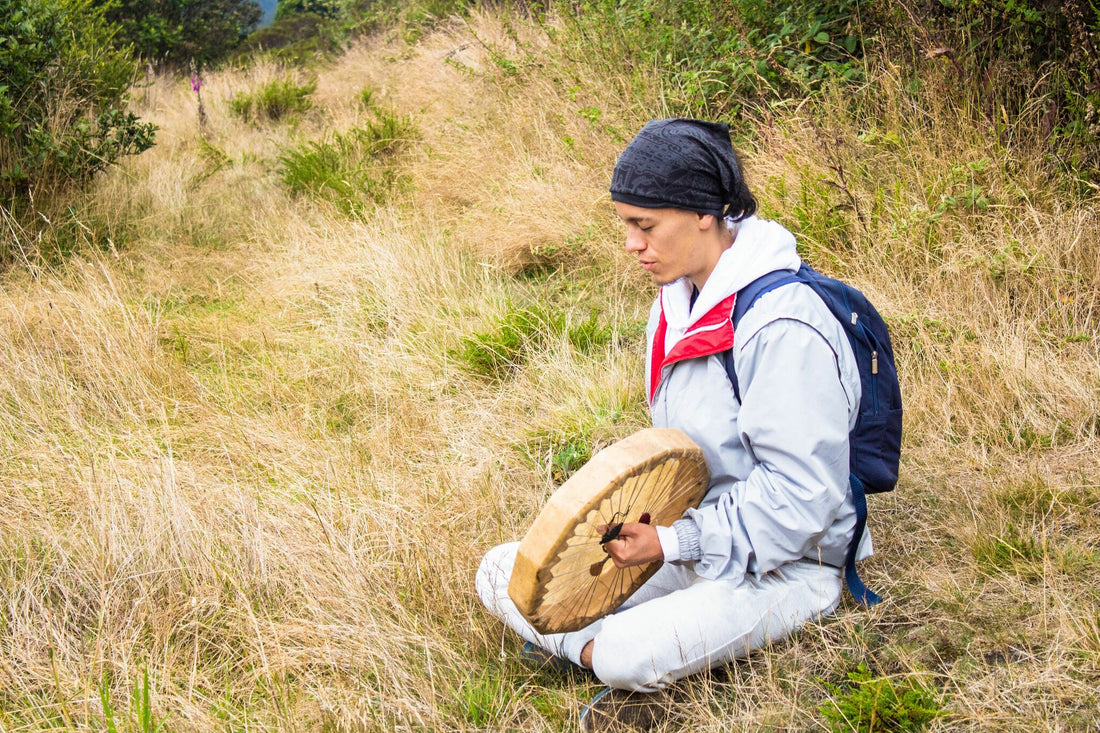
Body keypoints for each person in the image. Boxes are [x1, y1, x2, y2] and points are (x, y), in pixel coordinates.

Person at [475, 118, 870, 731]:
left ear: (705, 213)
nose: (632, 244)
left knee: (627, 650)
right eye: (626, 225)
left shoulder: (781, 328)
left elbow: (802, 500)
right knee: (504, 572)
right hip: (698, 538)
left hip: (795, 559)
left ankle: (615, 655)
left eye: (645, 226)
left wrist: (671, 545)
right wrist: (647, 522)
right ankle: (608, 653)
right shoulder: (679, 299)